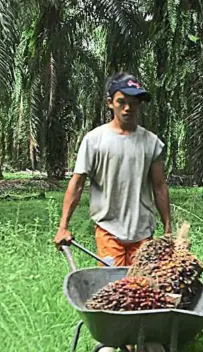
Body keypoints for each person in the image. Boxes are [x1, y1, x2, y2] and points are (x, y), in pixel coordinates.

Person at [54, 71, 172, 267]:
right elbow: (77, 184)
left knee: (142, 290)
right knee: (114, 287)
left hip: (142, 233)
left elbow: (159, 187)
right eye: (121, 102)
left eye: (133, 103)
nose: (128, 108)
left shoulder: (151, 143)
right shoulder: (94, 141)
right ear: (110, 103)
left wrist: (168, 228)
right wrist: (63, 227)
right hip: (109, 231)